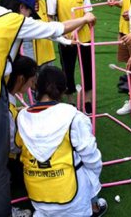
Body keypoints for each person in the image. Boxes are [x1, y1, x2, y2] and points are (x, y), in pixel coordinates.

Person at [0, 0, 96, 217]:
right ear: (22, 8)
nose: (29, 17)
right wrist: (86, 17)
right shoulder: (16, 20)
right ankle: (3, 213)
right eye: (30, 10)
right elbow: (54, 28)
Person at [15, 66, 108, 217]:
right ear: (63, 90)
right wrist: (94, 183)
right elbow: (92, 159)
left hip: (38, 196)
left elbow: (16, 147)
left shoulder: (22, 116)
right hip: (72, 197)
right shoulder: (74, 116)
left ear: (36, 87)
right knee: (88, 164)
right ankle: (93, 205)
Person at [0, 55, 36, 217]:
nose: (32, 85)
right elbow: (12, 146)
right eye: (31, 81)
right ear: (21, 79)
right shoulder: (6, 109)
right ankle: (9, 211)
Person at [47, 0, 94, 112]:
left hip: (84, 37)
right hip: (66, 39)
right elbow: (50, 18)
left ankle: (87, 100)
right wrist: (64, 34)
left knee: (87, 69)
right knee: (67, 70)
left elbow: (88, 14)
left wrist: (77, 28)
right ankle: (70, 100)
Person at [22, 0, 56, 67]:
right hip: (31, 55)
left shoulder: (42, 1)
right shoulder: (22, 7)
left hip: (47, 54)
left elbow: (47, 22)